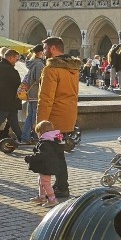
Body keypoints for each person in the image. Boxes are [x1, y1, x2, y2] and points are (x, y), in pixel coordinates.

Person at [36, 37, 82, 197]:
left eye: (45, 47)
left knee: (55, 153)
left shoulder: (51, 69)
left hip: (53, 118)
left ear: (54, 48)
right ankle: (61, 185)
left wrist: (41, 124)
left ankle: (62, 186)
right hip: (68, 116)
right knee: (58, 152)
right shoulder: (73, 68)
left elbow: (46, 99)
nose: (43, 51)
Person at [24, 120, 66, 208]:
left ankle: (52, 199)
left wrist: (31, 158)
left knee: (45, 183)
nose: (38, 135)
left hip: (46, 166)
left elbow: (42, 155)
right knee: (41, 181)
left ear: (42, 132)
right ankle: (42, 197)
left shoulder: (45, 143)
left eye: (38, 133)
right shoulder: (53, 140)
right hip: (47, 166)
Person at [0, 49, 23, 149]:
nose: (17, 61)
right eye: (16, 58)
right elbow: (17, 84)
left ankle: (22, 139)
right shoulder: (7, 69)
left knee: (14, 122)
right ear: (11, 57)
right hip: (5, 102)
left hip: (5, 101)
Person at [20, 44, 45, 143]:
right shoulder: (39, 64)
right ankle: (35, 136)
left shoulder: (31, 63)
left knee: (30, 115)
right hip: (36, 94)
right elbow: (39, 80)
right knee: (35, 116)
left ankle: (25, 136)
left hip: (31, 94)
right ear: (40, 53)